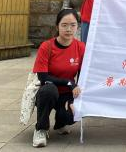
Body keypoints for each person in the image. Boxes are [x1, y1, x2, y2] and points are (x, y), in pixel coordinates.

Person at [32, 8, 85, 148]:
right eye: (64, 25)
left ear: (77, 26)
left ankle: (61, 123)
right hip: (49, 90)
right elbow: (43, 77)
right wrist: (68, 82)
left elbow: (83, 75)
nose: (69, 29)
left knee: (71, 115)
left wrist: (76, 98)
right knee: (48, 91)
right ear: (57, 26)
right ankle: (41, 129)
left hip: (67, 93)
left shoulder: (80, 47)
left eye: (73, 25)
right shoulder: (46, 46)